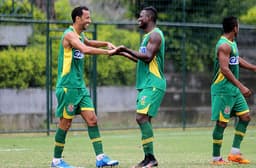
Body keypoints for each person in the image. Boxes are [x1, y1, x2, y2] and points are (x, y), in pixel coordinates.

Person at [51, 6, 119, 168]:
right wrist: (107, 53)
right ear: (77, 19)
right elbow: (84, 49)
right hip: (68, 87)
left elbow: (88, 42)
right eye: (87, 18)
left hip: (80, 88)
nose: (90, 20)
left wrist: (106, 43)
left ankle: (101, 158)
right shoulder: (69, 35)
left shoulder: (80, 35)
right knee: (65, 124)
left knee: (92, 120)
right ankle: (56, 161)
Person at [115, 6, 166, 168]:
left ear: (149, 18)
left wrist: (125, 48)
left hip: (153, 83)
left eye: (141, 16)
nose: (138, 18)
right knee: (145, 120)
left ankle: (151, 158)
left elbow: (148, 57)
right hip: (146, 84)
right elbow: (141, 58)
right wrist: (121, 53)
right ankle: (147, 159)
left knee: (141, 118)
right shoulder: (147, 37)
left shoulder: (156, 35)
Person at [210, 16, 256, 165]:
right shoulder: (223, 45)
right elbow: (224, 69)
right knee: (222, 123)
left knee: (245, 117)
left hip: (232, 89)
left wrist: (253, 67)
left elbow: (236, 59)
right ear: (235, 28)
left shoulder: (232, 43)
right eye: (238, 25)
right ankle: (216, 158)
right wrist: (241, 86)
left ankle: (235, 153)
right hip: (223, 89)